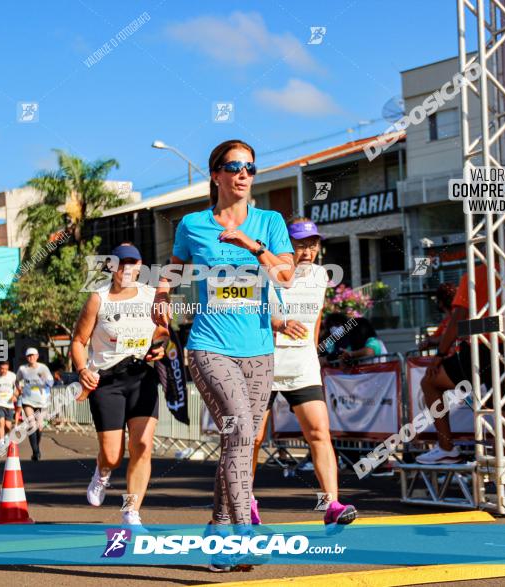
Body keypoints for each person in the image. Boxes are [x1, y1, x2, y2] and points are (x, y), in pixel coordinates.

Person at [152, 139, 295, 571]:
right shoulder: (193, 225)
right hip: (210, 346)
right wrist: (161, 293)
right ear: (216, 174)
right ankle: (240, 538)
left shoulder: (269, 222)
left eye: (250, 167)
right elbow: (175, 268)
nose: (243, 174)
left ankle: (216, 529)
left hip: (259, 351)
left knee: (243, 441)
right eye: (234, 166)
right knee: (237, 433)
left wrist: (252, 245)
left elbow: (285, 277)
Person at [250, 217, 357, 526]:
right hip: (265, 364)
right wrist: (279, 324)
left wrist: (315, 353)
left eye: (312, 244)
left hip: (303, 367)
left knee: (319, 434)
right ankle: (247, 502)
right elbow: (251, 313)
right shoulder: (267, 273)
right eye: (300, 245)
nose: (307, 250)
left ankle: (331, 504)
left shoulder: (321, 275)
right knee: (252, 439)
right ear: (286, 246)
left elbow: (317, 318)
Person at [70, 242, 169, 529]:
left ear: (141, 266)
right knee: (113, 456)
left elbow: (163, 332)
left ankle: (131, 511)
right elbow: (78, 341)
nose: (127, 269)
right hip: (107, 381)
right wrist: (81, 369)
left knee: (142, 445)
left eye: (132, 263)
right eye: (120, 263)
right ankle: (102, 472)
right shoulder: (98, 299)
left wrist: (161, 346)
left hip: (141, 376)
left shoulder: (154, 296)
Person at [417, 264, 495, 464]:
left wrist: (439, 354)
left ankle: (446, 448)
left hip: (484, 347)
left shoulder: (476, 274)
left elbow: (457, 321)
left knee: (429, 382)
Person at [16, 348, 54, 461]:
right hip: (28, 400)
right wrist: (19, 389)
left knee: (40, 426)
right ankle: (36, 452)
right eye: (28, 356)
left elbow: (51, 383)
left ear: (37, 356)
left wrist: (44, 378)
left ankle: (36, 447)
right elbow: (17, 380)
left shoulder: (43, 368)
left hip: (43, 401)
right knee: (32, 424)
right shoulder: (23, 369)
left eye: (33, 355)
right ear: (26, 357)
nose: (31, 357)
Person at [420, 282, 457, 351]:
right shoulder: (450, 319)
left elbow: (446, 337)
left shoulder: (453, 319)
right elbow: (435, 338)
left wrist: (430, 341)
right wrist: (429, 340)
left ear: (440, 302)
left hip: (454, 358)